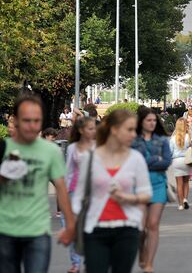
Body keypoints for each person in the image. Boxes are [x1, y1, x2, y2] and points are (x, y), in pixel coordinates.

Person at [0, 95, 75, 273]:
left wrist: (70, 225)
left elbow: (61, 187)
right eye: (27, 120)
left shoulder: (50, 151)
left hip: (38, 230)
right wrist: (2, 177)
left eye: (37, 121)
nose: (32, 126)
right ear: (15, 120)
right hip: (5, 229)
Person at [71, 109, 151, 273]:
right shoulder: (90, 158)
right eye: (129, 130)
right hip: (95, 228)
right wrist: (73, 225)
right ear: (114, 129)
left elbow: (146, 193)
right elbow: (78, 197)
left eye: (135, 130)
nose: (134, 135)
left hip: (127, 228)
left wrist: (128, 198)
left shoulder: (136, 158)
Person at [132, 106, 172, 273]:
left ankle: (149, 263)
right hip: (139, 186)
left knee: (153, 224)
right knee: (141, 228)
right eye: (148, 120)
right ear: (141, 122)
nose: (152, 123)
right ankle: (142, 250)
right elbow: (133, 162)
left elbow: (167, 162)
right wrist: (155, 159)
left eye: (154, 120)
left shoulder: (162, 140)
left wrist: (147, 161)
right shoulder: (134, 141)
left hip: (158, 185)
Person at [63, 116, 96, 272]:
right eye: (90, 128)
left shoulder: (99, 147)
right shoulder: (72, 148)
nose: (93, 131)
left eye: (94, 128)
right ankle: (75, 263)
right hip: (74, 192)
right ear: (81, 130)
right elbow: (68, 171)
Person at [169, 118, 192, 211]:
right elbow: (191, 148)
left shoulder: (172, 139)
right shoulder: (188, 137)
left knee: (179, 183)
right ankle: (185, 199)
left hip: (176, 161)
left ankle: (180, 204)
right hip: (186, 160)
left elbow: (170, 152)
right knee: (186, 182)